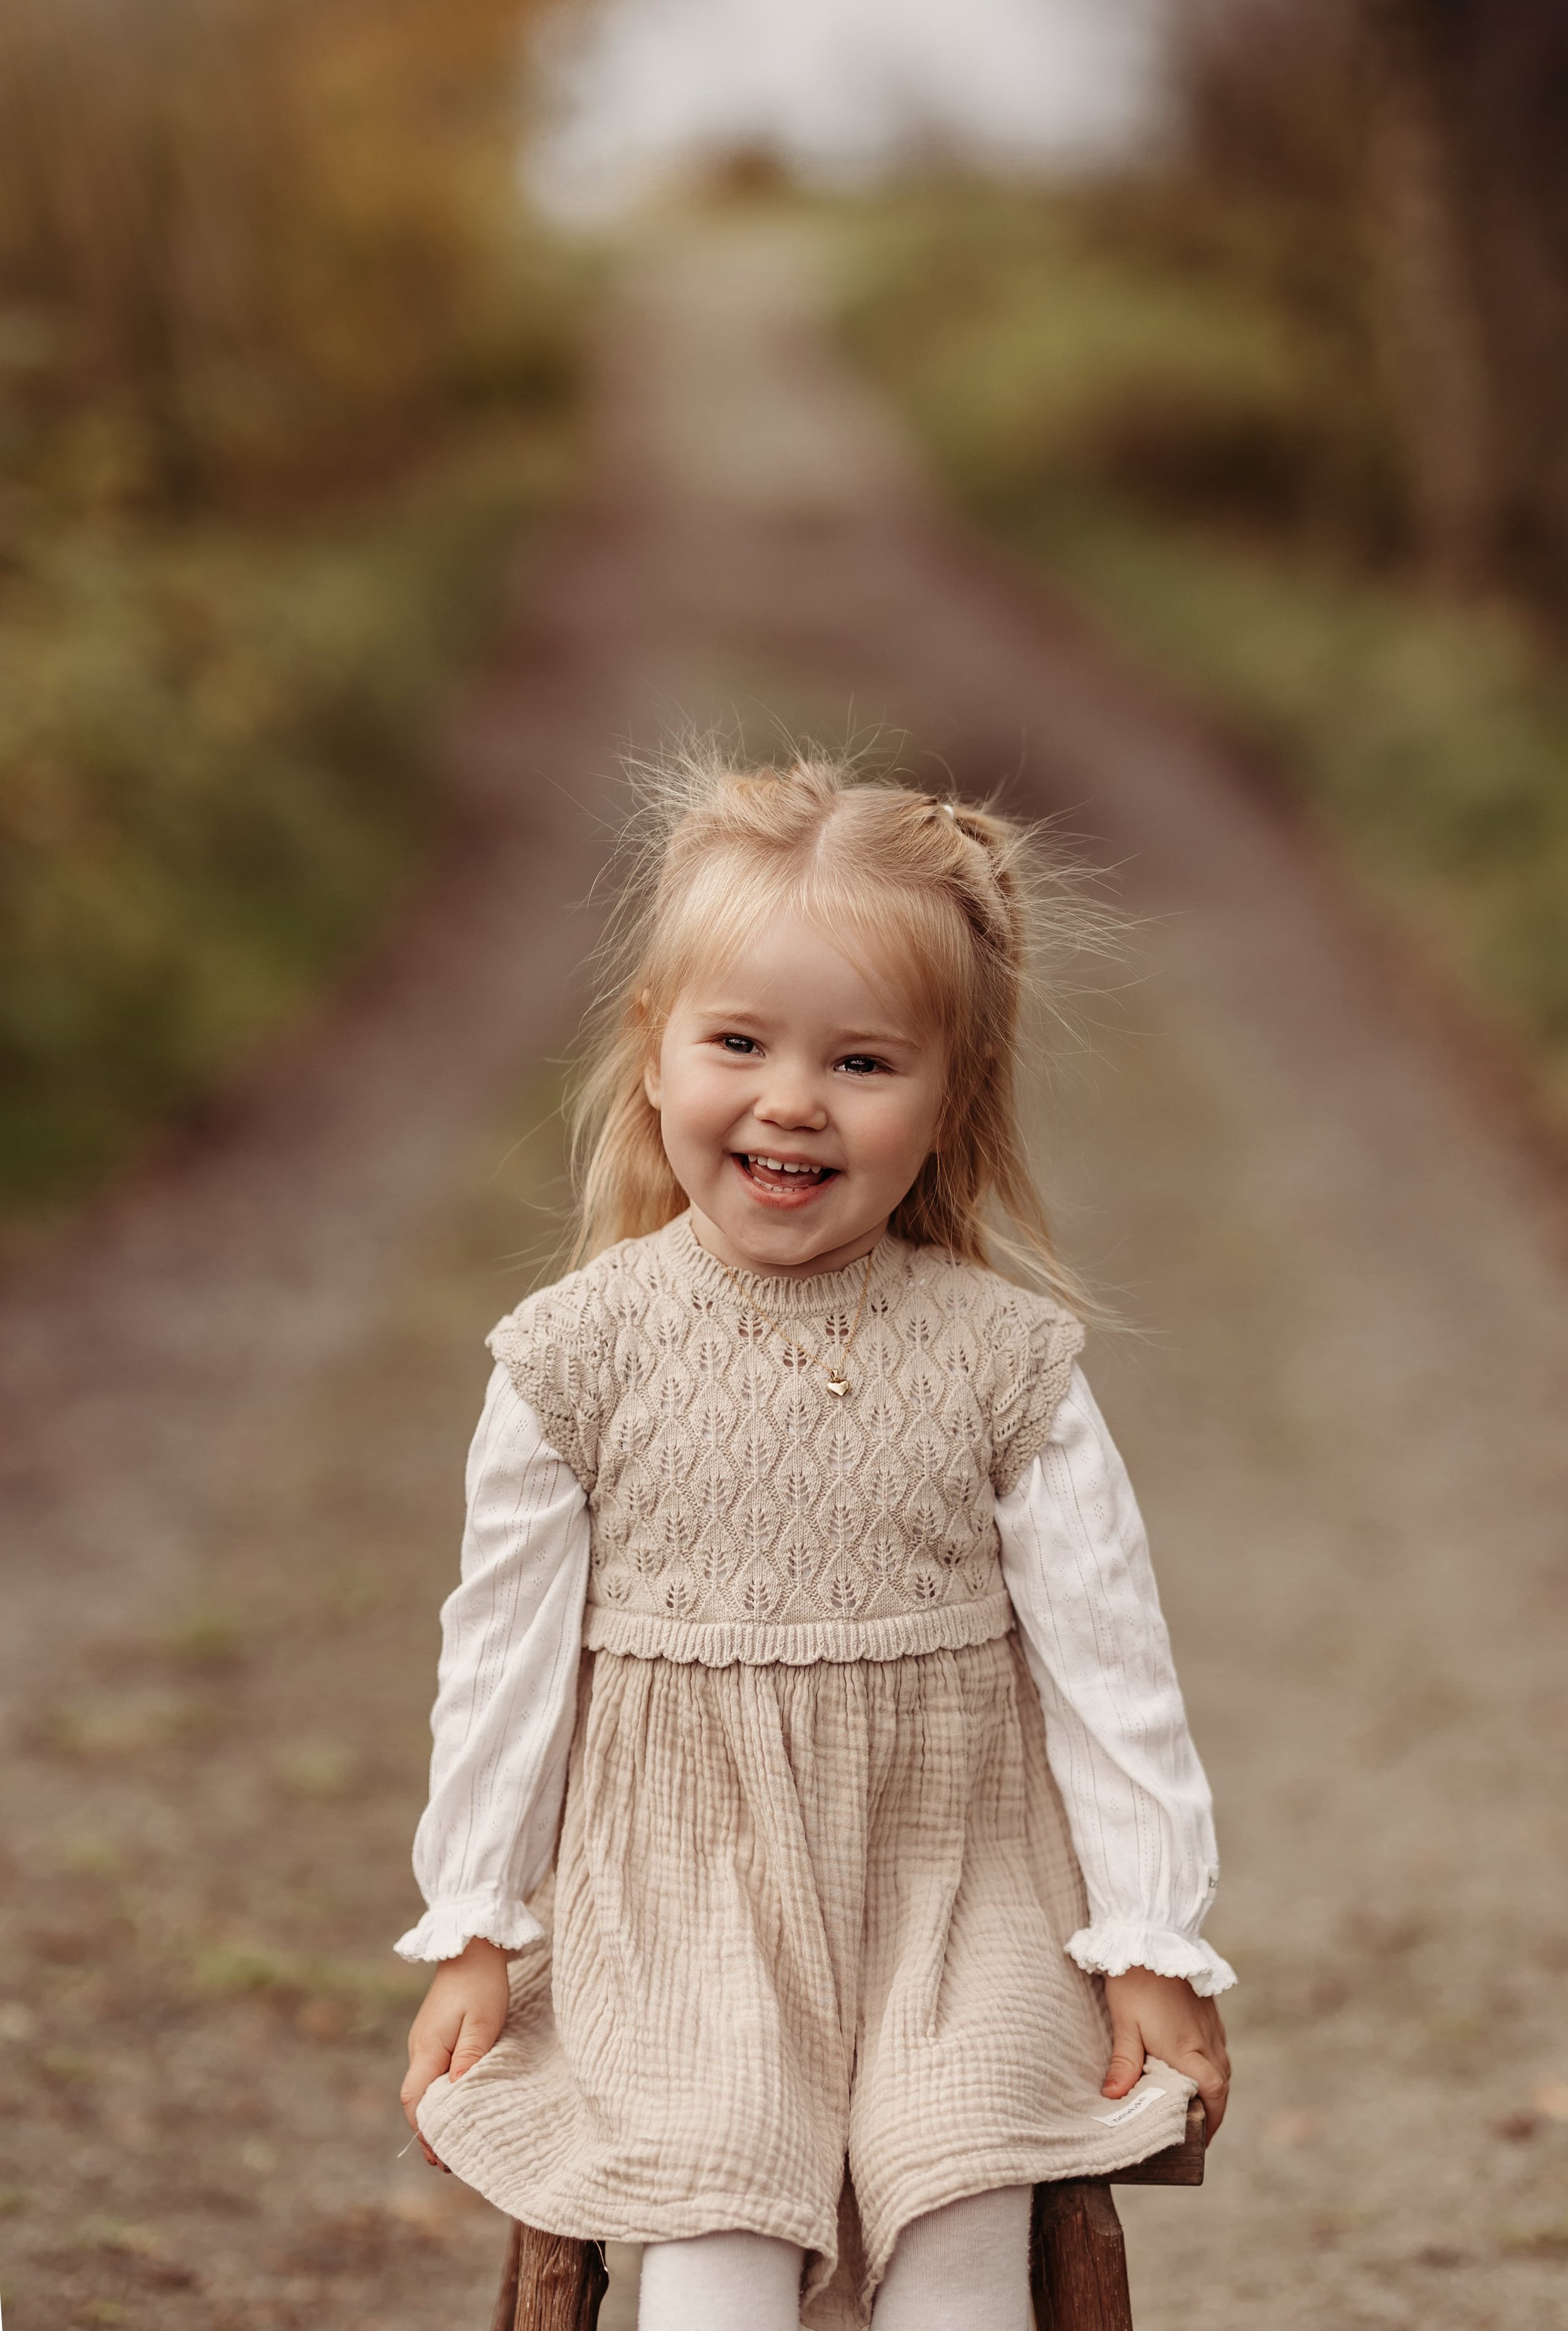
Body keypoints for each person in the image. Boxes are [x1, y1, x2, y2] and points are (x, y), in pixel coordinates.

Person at [396, 754, 1233, 2331]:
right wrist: (476, 1927)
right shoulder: (576, 1357)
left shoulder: (1004, 1361)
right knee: (711, 2230)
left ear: (947, 1095)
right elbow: (499, 1665)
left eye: (860, 1060)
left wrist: (1147, 1939)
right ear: (654, 1055)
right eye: (738, 1043)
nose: (791, 1098)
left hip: (953, 1897)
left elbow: (1110, 1669)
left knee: (965, 2194)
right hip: (674, 1909)